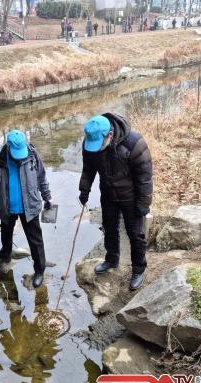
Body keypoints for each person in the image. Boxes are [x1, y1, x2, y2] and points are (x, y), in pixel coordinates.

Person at [78, 114, 153, 290]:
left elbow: (145, 177)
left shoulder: (134, 143)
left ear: (109, 135)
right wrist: (84, 190)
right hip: (108, 194)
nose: (96, 149)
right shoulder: (90, 143)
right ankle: (112, 259)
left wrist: (144, 202)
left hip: (131, 196)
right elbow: (88, 169)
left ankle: (138, 269)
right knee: (109, 228)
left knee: (135, 234)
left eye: (99, 144)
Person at [0, 130, 52, 288]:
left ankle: (39, 270)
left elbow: (42, 177)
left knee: (35, 240)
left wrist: (47, 196)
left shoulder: (32, 155)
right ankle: (5, 256)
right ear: (8, 147)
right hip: (7, 206)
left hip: (30, 205)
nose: (20, 156)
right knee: (6, 233)